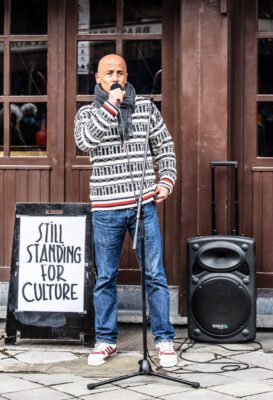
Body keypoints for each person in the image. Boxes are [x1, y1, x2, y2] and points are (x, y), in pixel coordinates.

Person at [74, 54, 178, 368]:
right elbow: (85, 142)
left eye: (120, 72)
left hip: (142, 204)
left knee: (155, 275)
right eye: (109, 73)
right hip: (106, 208)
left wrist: (167, 180)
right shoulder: (87, 113)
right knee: (105, 277)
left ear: (127, 74)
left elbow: (165, 145)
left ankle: (164, 339)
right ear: (98, 79)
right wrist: (111, 105)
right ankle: (106, 340)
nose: (116, 77)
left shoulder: (145, 108)